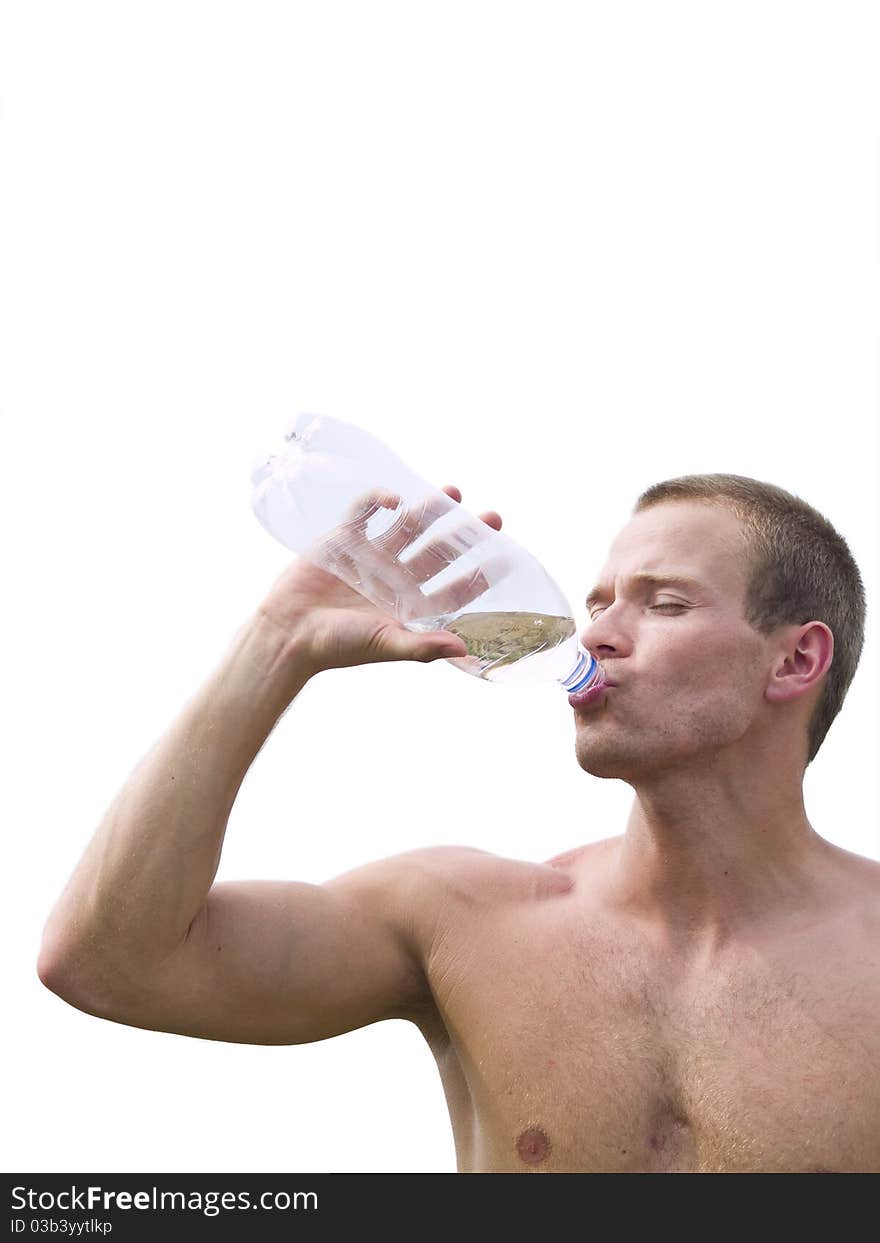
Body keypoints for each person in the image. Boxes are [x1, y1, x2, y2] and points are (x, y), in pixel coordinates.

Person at [38, 473, 879, 1173]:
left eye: (663, 604)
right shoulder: (462, 919)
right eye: (599, 602)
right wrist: (277, 641)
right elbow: (108, 959)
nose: (599, 634)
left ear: (796, 658)